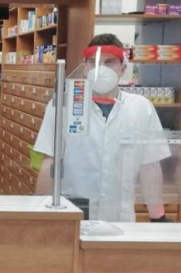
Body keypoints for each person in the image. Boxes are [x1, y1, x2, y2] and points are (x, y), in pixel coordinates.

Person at [34, 34, 171, 222]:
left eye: (110, 62)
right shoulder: (63, 105)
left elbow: (150, 167)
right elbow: (50, 162)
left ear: (122, 69)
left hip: (120, 216)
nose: (101, 69)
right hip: (73, 213)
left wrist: (158, 217)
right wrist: (39, 214)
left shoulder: (141, 107)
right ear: (85, 68)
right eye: (94, 62)